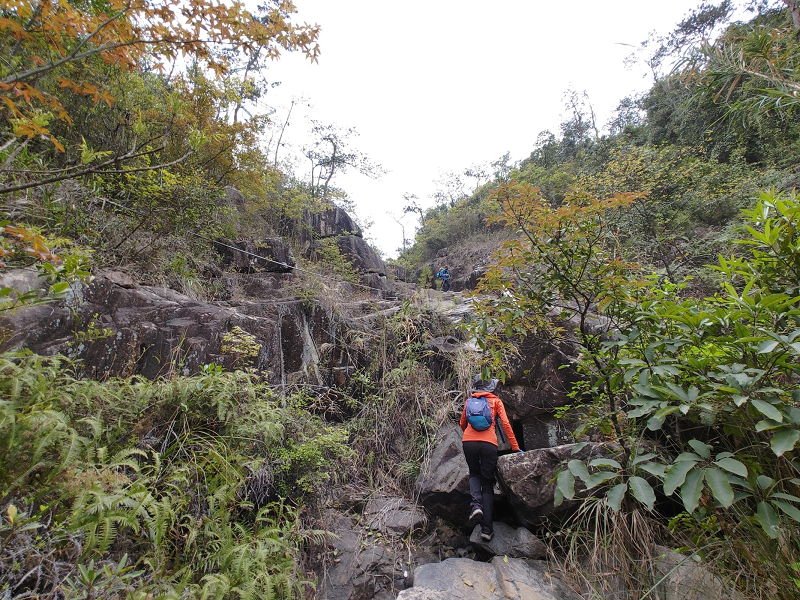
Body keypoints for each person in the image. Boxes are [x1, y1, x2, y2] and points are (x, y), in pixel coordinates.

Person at [460, 374, 522, 542]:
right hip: (489, 444)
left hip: (469, 442)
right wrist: (515, 446)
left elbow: (462, 423)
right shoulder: (496, 401)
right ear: (490, 387)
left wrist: (470, 435)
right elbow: (506, 424)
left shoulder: (469, 401)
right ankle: (487, 529)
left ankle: (476, 505)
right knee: (487, 483)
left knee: (474, 473)